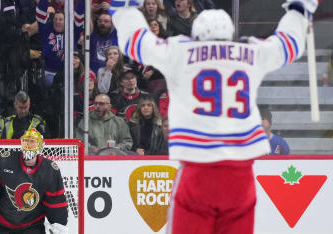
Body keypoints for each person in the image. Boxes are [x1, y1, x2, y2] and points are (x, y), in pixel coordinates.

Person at [111, 0, 318, 233]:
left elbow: (137, 43)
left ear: (196, 35)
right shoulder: (250, 52)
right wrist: (299, 12)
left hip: (197, 169)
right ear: (230, 34)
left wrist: (124, 9)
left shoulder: (180, 51)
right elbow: (287, 45)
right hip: (240, 175)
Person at [0, 128, 68, 234]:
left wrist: (58, 225)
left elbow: (55, 203)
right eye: (26, 141)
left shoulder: (50, 169)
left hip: (32, 227)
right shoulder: (5, 161)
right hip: (0, 225)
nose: (28, 145)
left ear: (40, 145)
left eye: (32, 142)